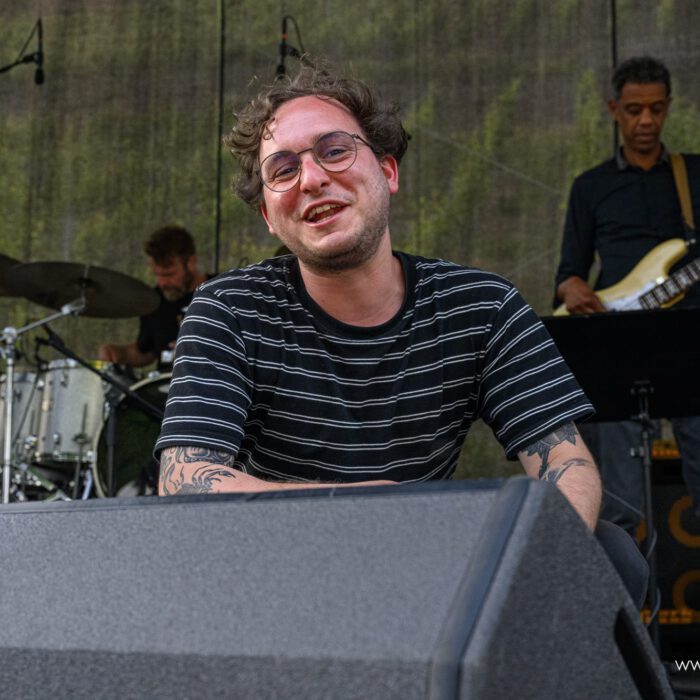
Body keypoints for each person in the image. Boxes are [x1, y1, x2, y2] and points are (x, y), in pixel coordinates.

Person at [155, 66, 646, 605]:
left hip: (432, 573)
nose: (311, 178)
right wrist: (358, 507)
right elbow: (185, 477)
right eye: (284, 169)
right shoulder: (227, 308)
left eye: (334, 150)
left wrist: (529, 573)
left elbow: (567, 465)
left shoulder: (482, 305)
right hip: (280, 576)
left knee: (611, 551)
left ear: (388, 170)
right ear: (269, 216)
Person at [554, 55, 700, 534]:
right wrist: (573, 286)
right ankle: (624, 584)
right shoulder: (590, 187)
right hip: (619, 343)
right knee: (620, 501)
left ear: (669, 107)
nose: (646, 120)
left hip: (689, 340)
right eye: (635, 110)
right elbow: (569, 275)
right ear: (614, 109)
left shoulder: (693, 176)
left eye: (657, 109)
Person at [98, 225, 208, 371]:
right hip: (168, 384)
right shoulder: (153, 301)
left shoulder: (222, 293)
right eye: (157, 274)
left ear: (191, 263)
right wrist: (119, 353)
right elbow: (145, 351)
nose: (162, 283)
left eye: (169, 274)